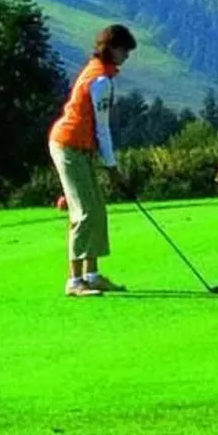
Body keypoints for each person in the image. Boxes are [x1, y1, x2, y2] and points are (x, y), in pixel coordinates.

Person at [48, 23, 138, 297]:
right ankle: (74, 281)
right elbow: (103, 129)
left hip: (81, 147)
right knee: (84, 212)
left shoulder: (100, 74)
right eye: (124, 50)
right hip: (67, 145)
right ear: (111, 48)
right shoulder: (100, 81)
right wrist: (112, 169)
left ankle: (92, 274)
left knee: (97, 208)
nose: (127, 56)